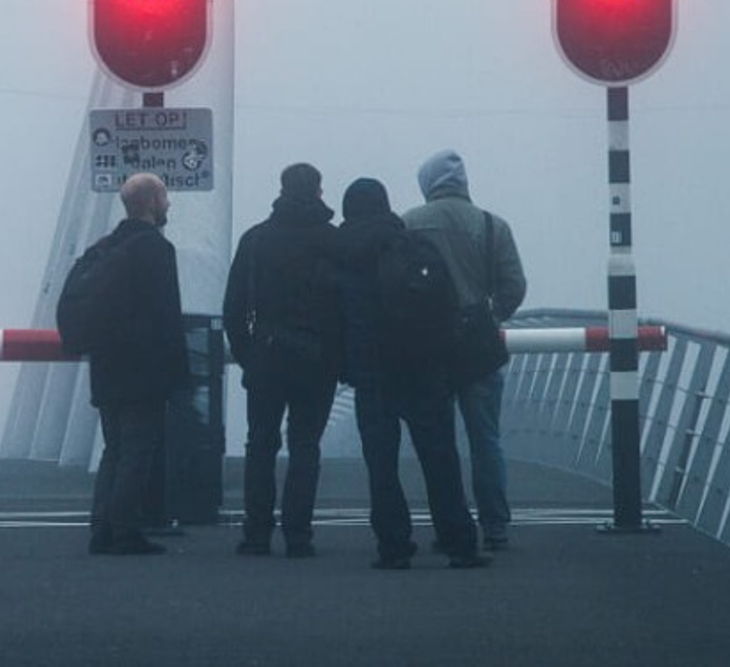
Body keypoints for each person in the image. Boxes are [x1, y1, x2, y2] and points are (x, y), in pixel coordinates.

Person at [336, 178, 488, 570]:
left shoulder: (344, 253)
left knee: (381, 462)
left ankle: (394, 545)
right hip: (424, 368)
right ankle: (460, 542)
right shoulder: (415, 247)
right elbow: (446, 305)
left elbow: (336, 317)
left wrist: (347, 365)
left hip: (373, 372)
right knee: (439, 456)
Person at [403, 150, 526, 551]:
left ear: (428, 184)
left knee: (439, 441)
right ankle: (495, 526)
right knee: (485, 438)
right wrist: (493, 313)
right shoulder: (493, 226)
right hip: (478, 345)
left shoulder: (409, 224)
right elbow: (513, 285)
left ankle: (451, 525)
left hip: (425, 346)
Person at [221, 164, 341, 558]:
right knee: (306, 445)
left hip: (267, 355)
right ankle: (298, 535)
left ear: (282, 189)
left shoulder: (256, 240)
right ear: (318, 191)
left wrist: (247, 354)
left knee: (260, 444)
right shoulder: (331, 240)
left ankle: (256, 534)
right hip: (316, 358)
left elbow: (234, 308)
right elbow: (344, 307)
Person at [87, 173, 189, 556]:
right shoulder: (157, 251)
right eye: (164, 198)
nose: (169, 205)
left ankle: (101, 529)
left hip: (106, 367)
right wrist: (178, 377)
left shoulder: (104, 248)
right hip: (143, 371)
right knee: (137, 452)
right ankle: (126, 531)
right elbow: (166, 318)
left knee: (113, 451)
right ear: (150, 203)